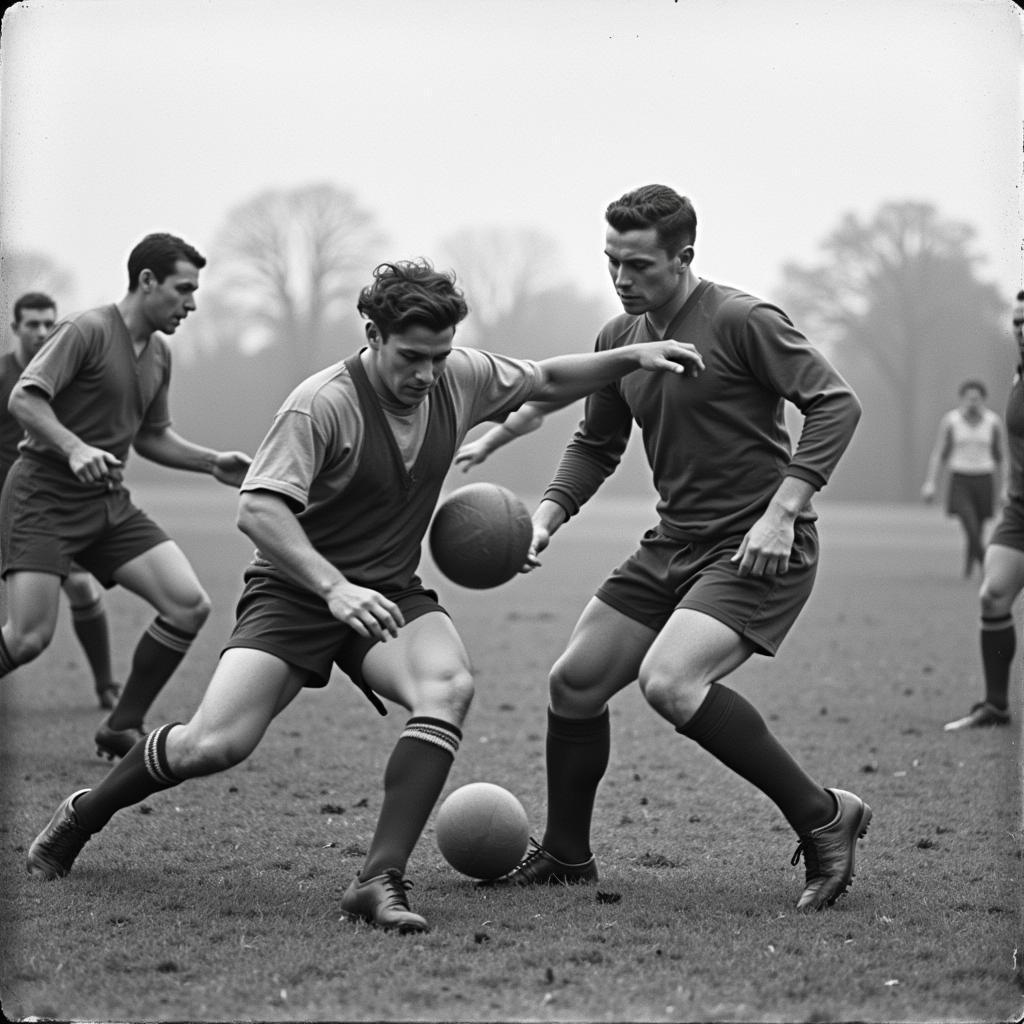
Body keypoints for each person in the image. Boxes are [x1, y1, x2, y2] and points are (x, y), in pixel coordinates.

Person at [23, 258, 705, 935]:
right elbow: (258, 511)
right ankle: (85, 812)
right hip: (294, 593)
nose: (427, 375)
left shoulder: (457, 376)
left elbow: (548, 378)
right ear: (372, 333)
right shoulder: (320, 404)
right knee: (213, 744)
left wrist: (632, 354)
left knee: (448, 687)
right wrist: (333, 586)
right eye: (411, 357)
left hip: (389, 594)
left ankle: (378, 878)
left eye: (439, 357)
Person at [477, 184, 870, 913]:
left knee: (672, 683)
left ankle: (824, 817)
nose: (622, 280)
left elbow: (835, 403)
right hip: (674, 543)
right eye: (611, 263)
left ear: (684, 257)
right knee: (575, 683)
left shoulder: (742, 319)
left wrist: (785, 510)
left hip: (758, 547)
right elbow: (596, 442)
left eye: (639, 266)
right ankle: (567, 854)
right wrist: (547, 516)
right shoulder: (617, 337)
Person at [0, 234, 251, 759]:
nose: (192, 303)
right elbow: (25, 397)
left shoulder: (159, 352)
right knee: (28, 638)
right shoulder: (86, 330)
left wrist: (212, 462)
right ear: (146, 281)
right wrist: (72, 448)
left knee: (188, 606)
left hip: (106, 503)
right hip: (42, 495)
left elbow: (152, 435)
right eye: (183, 289)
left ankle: (122, 726)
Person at [0, 293, 118, 709]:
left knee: (83, 588)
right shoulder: (6, 378)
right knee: (27, 633)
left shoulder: (63, 376)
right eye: (31, 324)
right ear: (14, 328)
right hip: (14, 503)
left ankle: (106, 686)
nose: (41, 332)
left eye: (49, 323)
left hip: (45, 507)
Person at [943, 291, 1024, 731]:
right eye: (1017, 322)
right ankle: (996, 705)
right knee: (993, 596)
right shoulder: (1018, 372)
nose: (1022, 330)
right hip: (1018, 512)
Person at [921, 379, 1006, 578]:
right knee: (969, 522)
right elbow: (939, 453)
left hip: (984, 477)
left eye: (976, 398)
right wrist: (930, 482)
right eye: (969, 398)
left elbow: (1002, 457)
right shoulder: (951, 421)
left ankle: (968, 570)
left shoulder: (993, 422)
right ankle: (989, 565)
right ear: (962, 399)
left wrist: (1006, 487)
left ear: (983, 400)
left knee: (978, 524)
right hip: (960, 478)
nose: (972, 402)